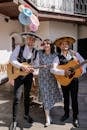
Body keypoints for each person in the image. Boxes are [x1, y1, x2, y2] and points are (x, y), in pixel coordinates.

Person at [50, 36, 86, 128]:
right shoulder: (57, 58)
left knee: (74, 99)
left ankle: (75, 117)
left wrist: (82, 71)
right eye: (63, 44)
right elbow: (52, 69)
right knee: (65, 98)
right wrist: (63, 72)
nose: (65, 45)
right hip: (64, 80)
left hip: (74, 80)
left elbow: (84, 63)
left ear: (69, 45)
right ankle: (66, 114)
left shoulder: (75, 54)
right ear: (60, 46)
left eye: (66, 44)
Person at [9, 31, 42, 130]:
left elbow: (36, 66)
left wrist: (34, 70)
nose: (31, 40)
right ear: (26, 39)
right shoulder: (19, 48)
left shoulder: (36, 52)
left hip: (28, 77)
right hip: (18, 76)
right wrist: (21, 66)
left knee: (27, 97)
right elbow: (12, 59)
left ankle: (26, 115)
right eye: (29, 39)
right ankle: (14, 120)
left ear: (34, 41)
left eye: (33, 39)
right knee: (17, 98)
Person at [38, 39, 62, 127]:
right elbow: (34, 60)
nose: (46, 45)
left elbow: (58, 66)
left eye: (48, 43)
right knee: (45, 96)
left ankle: (47, 111)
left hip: (52, 79)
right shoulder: (39, 53)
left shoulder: (55, 55)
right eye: (44, 44)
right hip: (42, 78)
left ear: (51, 45)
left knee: (49, 96)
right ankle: (47, 117)